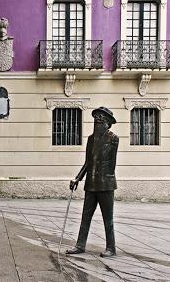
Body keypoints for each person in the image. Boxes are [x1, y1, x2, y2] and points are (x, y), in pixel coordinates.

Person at [66, 106, 119, 258]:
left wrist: (105, 178)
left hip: (106, 184)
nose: (97, 119)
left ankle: (111, 247)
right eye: (96, 117)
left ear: (108, 122)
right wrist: (78, 178)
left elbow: (112, 165)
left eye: (101, 117)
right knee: (85, 216)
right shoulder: (90, 139)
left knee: (107, 217)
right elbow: (88, 162)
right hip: (91, 184)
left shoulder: (113, 138)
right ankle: (80, 245)